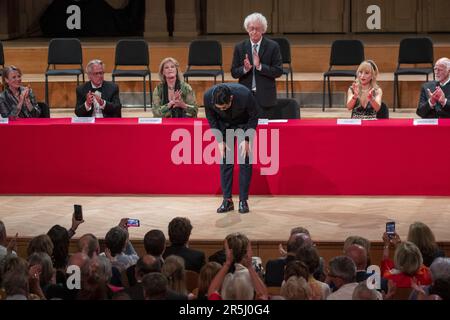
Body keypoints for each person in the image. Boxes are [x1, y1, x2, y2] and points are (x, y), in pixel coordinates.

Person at [203, 83, 259, 214]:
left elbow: (254, 116)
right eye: (219, 108)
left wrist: (247, 139)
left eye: (225, 107)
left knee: (245, 162)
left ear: (232, 98)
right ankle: (227, 201)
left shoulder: (245, 94)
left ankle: (243, 201)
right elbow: (211, 118)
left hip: (243, 125)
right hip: (224, 127)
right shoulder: (207, 97)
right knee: (225, 163)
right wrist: (219, 141)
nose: (222, 109)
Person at [231, 12, 283, 109]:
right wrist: (245, 69)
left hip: (266, 97)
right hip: (245, 96)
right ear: (247, 29)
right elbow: (234, 73)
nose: (254, 31)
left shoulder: (273, 46)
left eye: (257, 29)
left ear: (263, 30)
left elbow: (278, 71)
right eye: (251, 28)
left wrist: (260, 66)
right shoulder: (240, 47)